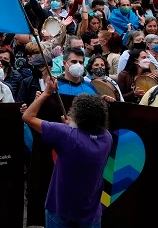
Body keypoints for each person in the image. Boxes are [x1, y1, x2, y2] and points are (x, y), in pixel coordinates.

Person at [24, 89, 111, 228]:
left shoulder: (66, 135)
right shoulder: (106, 138)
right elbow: (83, 135)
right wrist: (71, 126)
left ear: (78, 115)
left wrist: (46, 93)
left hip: (60, 210)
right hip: (91, 213)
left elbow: (28, 116)